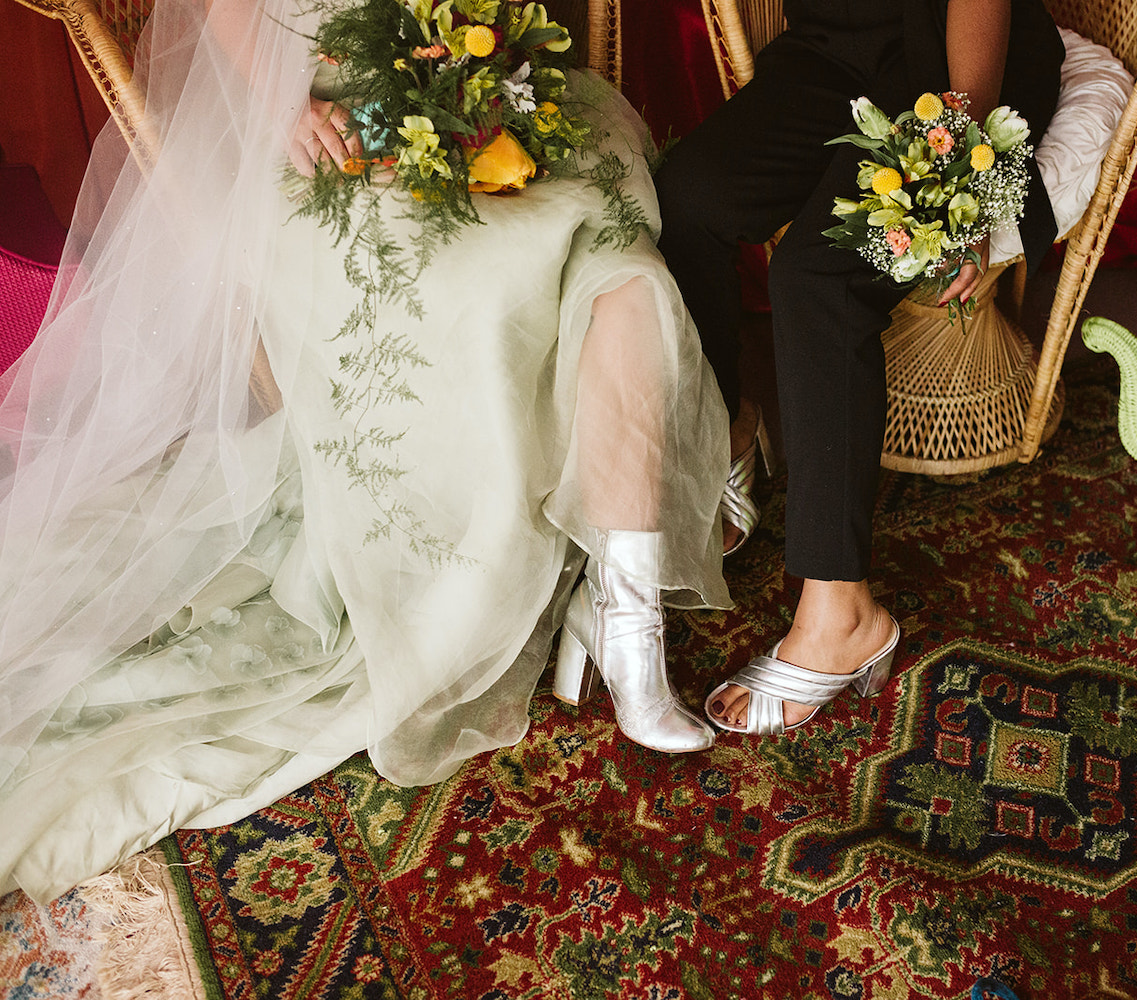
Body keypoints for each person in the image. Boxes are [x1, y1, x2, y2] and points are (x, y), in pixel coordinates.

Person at [0, 0, 729, 902]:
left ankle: (626, 629)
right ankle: (539, 576)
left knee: (628, 283)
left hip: (476, 91)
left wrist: (482, 65)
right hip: (333, 136)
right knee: (487, 286)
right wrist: (282, 111)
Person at [654, 0, 1064, 734]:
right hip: (834, 47)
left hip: (957, 68)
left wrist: (961, 171)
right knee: (689, 197)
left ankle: (844, 612)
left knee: (820, 277)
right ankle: (731, 430)